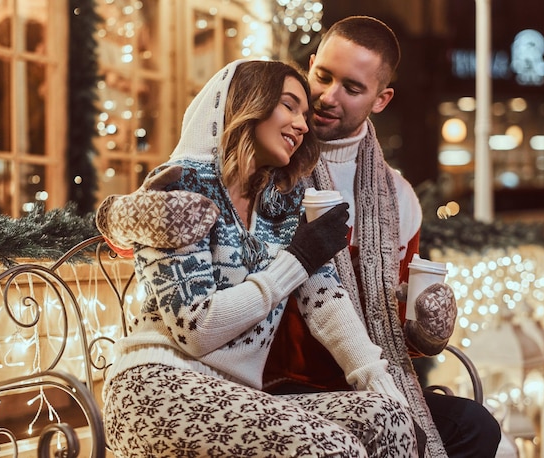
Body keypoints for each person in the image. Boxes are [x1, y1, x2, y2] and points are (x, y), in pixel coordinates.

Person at [96, 59, 418, 457]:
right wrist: (296, 260)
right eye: (289, 106)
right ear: (249, 104)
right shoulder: (180, 189)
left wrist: (384, 388)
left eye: (304, 112)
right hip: (155, 388)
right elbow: (196, 330)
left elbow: (327, 304)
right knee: (336, 449)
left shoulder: (281, 206)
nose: (303, 124)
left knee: (388, 419)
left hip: (239, 397)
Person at [263, 16, 502, 458]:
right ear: (310, 65)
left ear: (381, 99)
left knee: (476, 426)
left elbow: (392, 326)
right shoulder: (272, 161)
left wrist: (425, 331)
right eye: (323, 76)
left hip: (373, 385)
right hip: (278, 386)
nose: (327, 97)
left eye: (352, 88)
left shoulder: (398, 196)